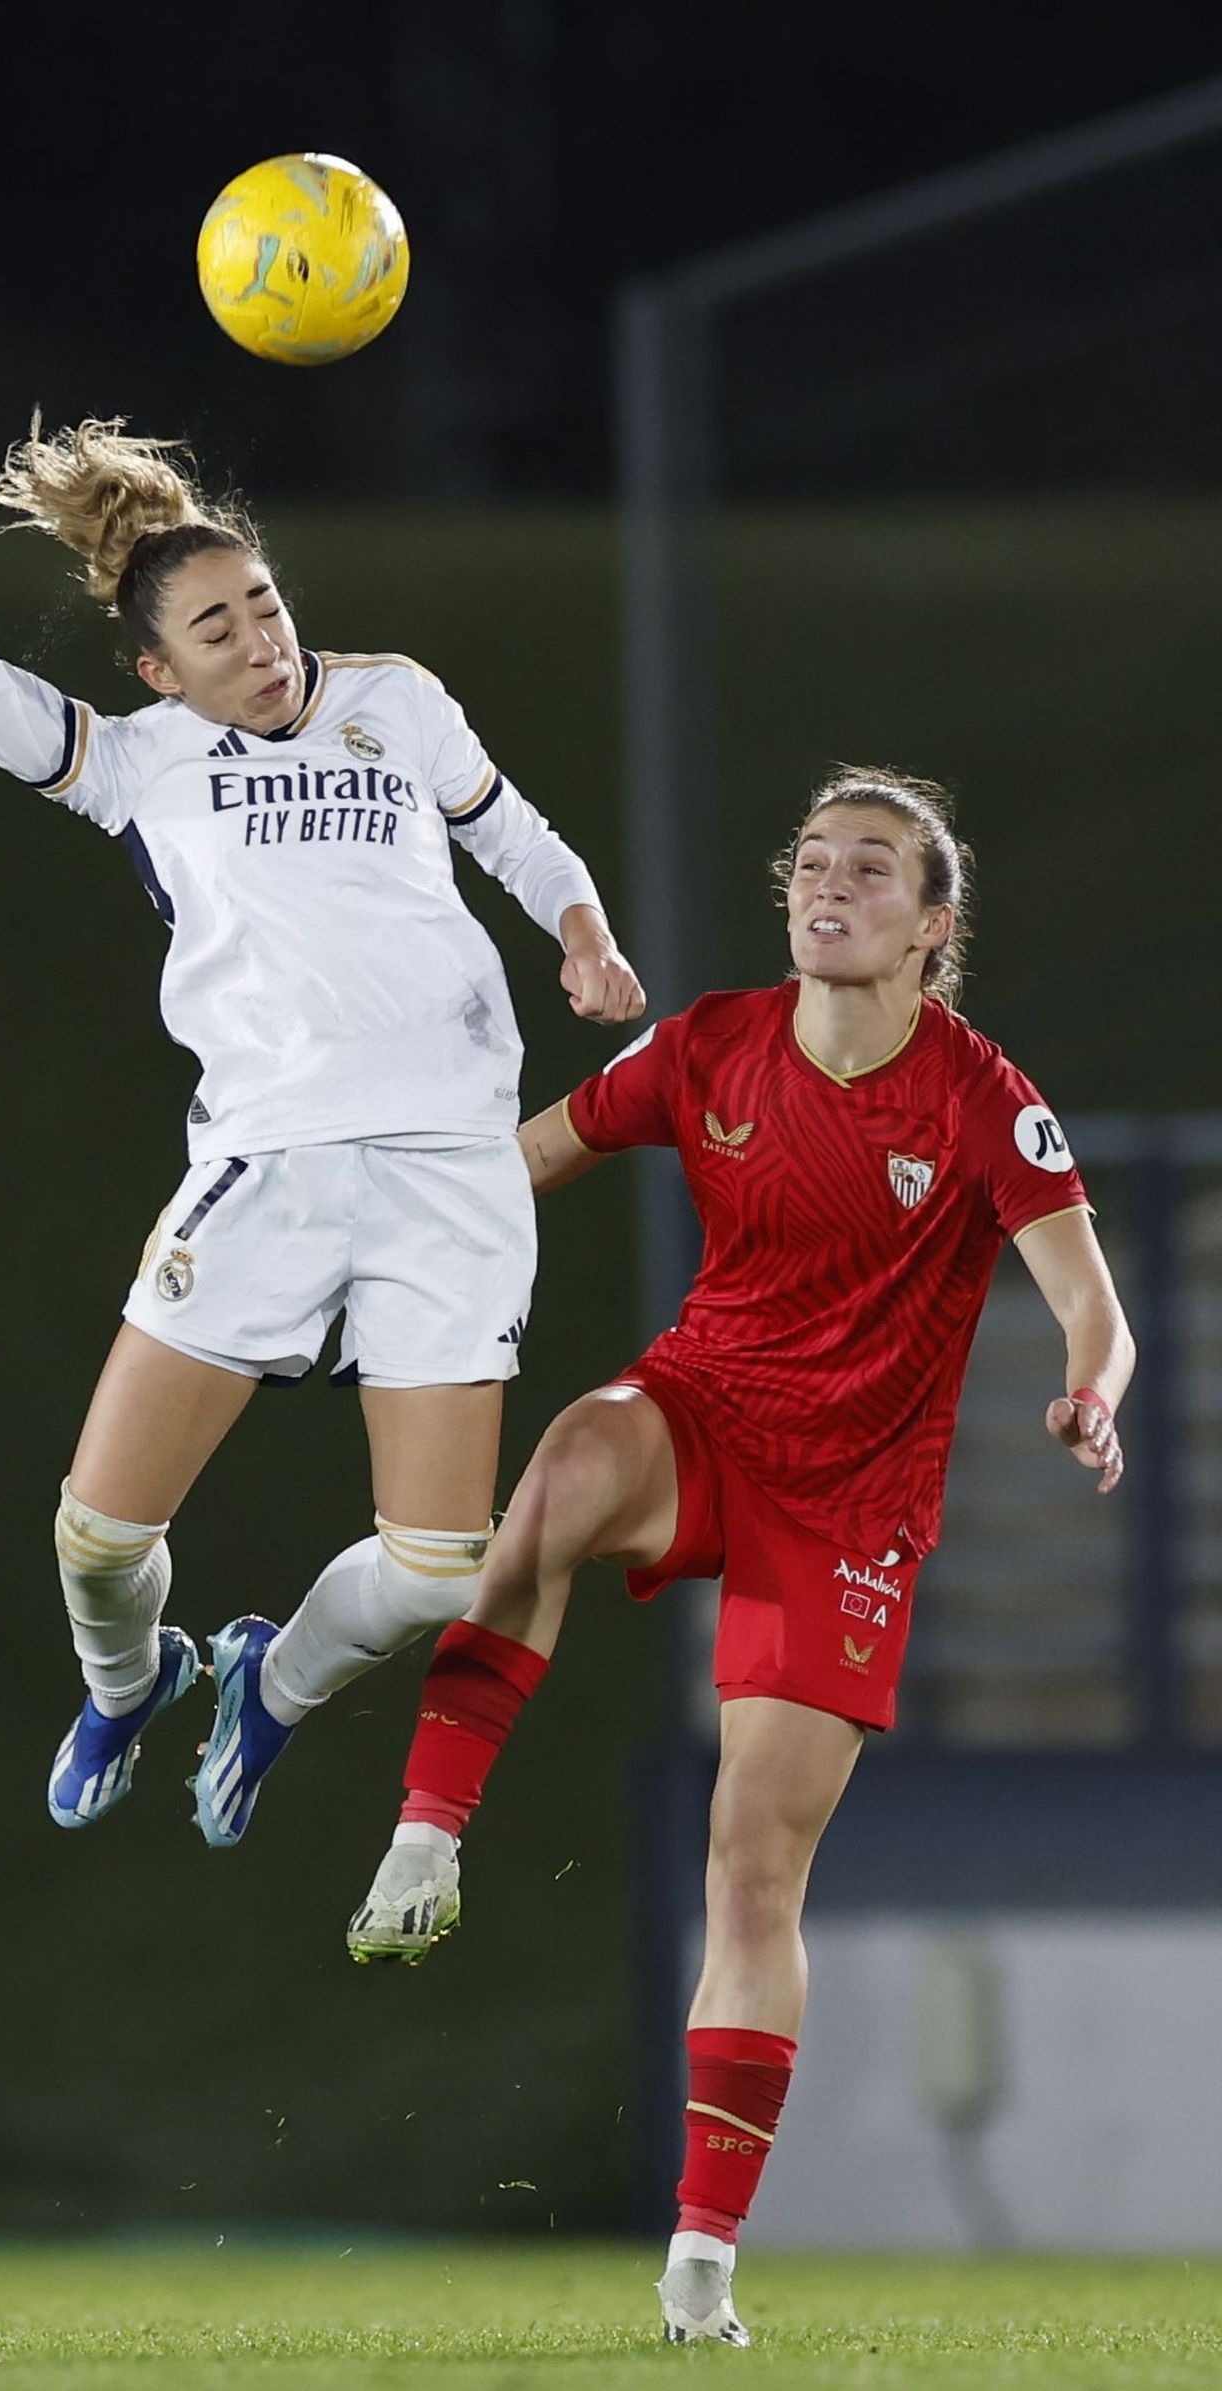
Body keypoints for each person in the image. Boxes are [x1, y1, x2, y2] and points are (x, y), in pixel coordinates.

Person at [345, 766, 1133, 2346]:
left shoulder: (983, 1098)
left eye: (874, 869)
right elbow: (531, 1156)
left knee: (751, 1868)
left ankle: (701, 2261)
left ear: (933, 926)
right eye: (815, 863)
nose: (832, 885)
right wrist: (371, 1232)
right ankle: (429, 1833)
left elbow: (1090, 1300)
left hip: (851, 1504)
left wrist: (1091, 1399)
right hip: (708, 1409)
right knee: (564, 1465)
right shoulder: (709, 1045)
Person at [0, 347, 643, 1850]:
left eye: (264, 602)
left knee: (435, 1566)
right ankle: (127, 1686)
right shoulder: (137, 765)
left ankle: (273, 1684)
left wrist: (582, 933)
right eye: (218, 628)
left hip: (451, 1173)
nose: (262, 640)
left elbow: (518, 838)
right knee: (97, 1539)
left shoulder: (391, 702)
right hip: (267, 1168)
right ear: (160, 673)